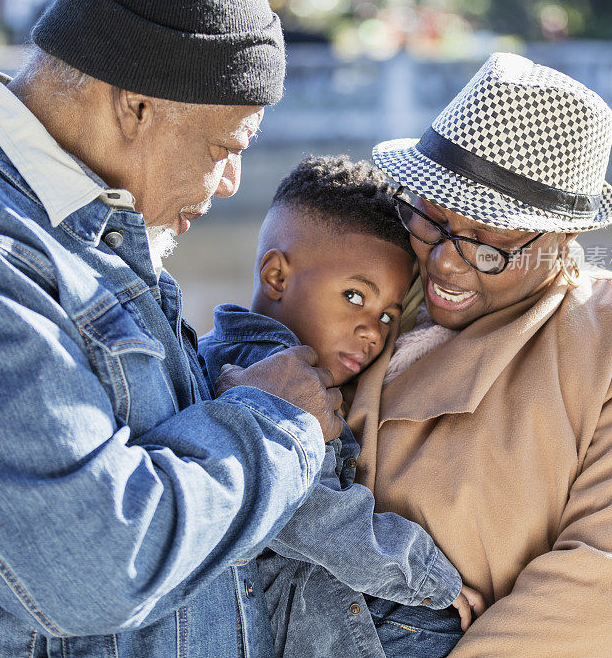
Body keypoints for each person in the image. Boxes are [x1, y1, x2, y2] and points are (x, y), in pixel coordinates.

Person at [0, 0, 344, 658]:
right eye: (224, 144)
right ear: (137, 104)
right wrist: (275, 422)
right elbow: (96, 563)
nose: (228, 183)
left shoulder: (95, 218)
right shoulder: (2, 256)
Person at [339, 52, 612, 657]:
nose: (443, 261)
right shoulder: (373, 286)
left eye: (487, 245)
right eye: (431, 219)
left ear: (564, 236)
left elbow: (607, 591)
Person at [199, 155, 486, 658]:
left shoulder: (217, 349)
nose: (373, 332)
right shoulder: (273, 374)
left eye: (388, 315)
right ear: (276, 276)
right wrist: (425, 572)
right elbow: (310, 512)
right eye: (355, 296)